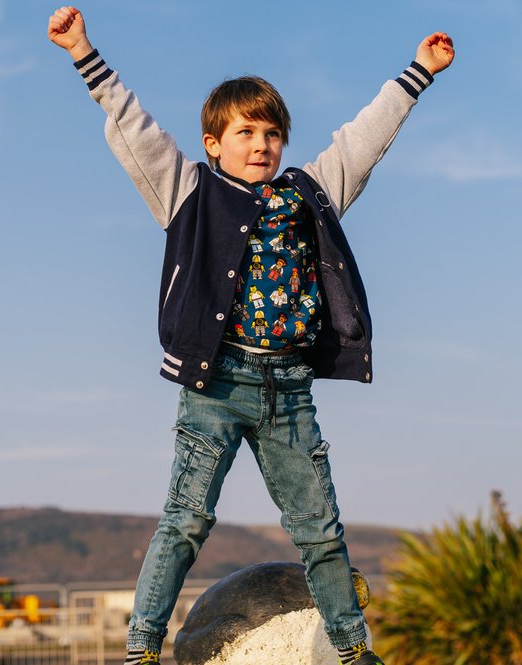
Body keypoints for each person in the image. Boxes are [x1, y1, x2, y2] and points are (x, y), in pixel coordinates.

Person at [47, 7, 454, 665]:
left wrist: (418, 73)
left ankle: (353, 651)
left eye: (271, 132)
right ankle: (141, 649)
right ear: (213, 142)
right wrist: (83, 54)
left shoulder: (307, 193)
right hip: (216, 383)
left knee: (320, 532)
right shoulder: (188, 193)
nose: (261, 143)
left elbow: (363, 141)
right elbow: (135, 131)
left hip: (286, 389)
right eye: (245, 131)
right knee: (185, 521)